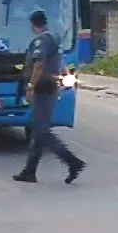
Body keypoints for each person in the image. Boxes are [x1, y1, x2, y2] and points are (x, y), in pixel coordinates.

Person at [13, 11, 86, 184]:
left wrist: (30, 86)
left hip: (43, 88)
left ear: (33, 24)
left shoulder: (42, 40)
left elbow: (38, 64)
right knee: (38, 132)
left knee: (41, 131)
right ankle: (29, 171)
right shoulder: (51, 37)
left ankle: (72, 162)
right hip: (47, 88)